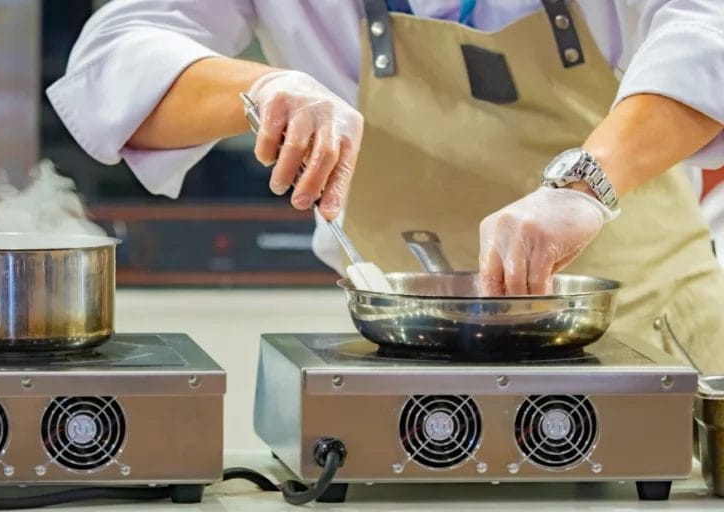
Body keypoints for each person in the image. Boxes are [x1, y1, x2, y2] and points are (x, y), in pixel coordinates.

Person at [47, 1, 724, 371]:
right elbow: (120, 50)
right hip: (413, 369)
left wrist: (584, 186)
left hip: (661, 344)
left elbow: (707, 25)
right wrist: (262, 87)